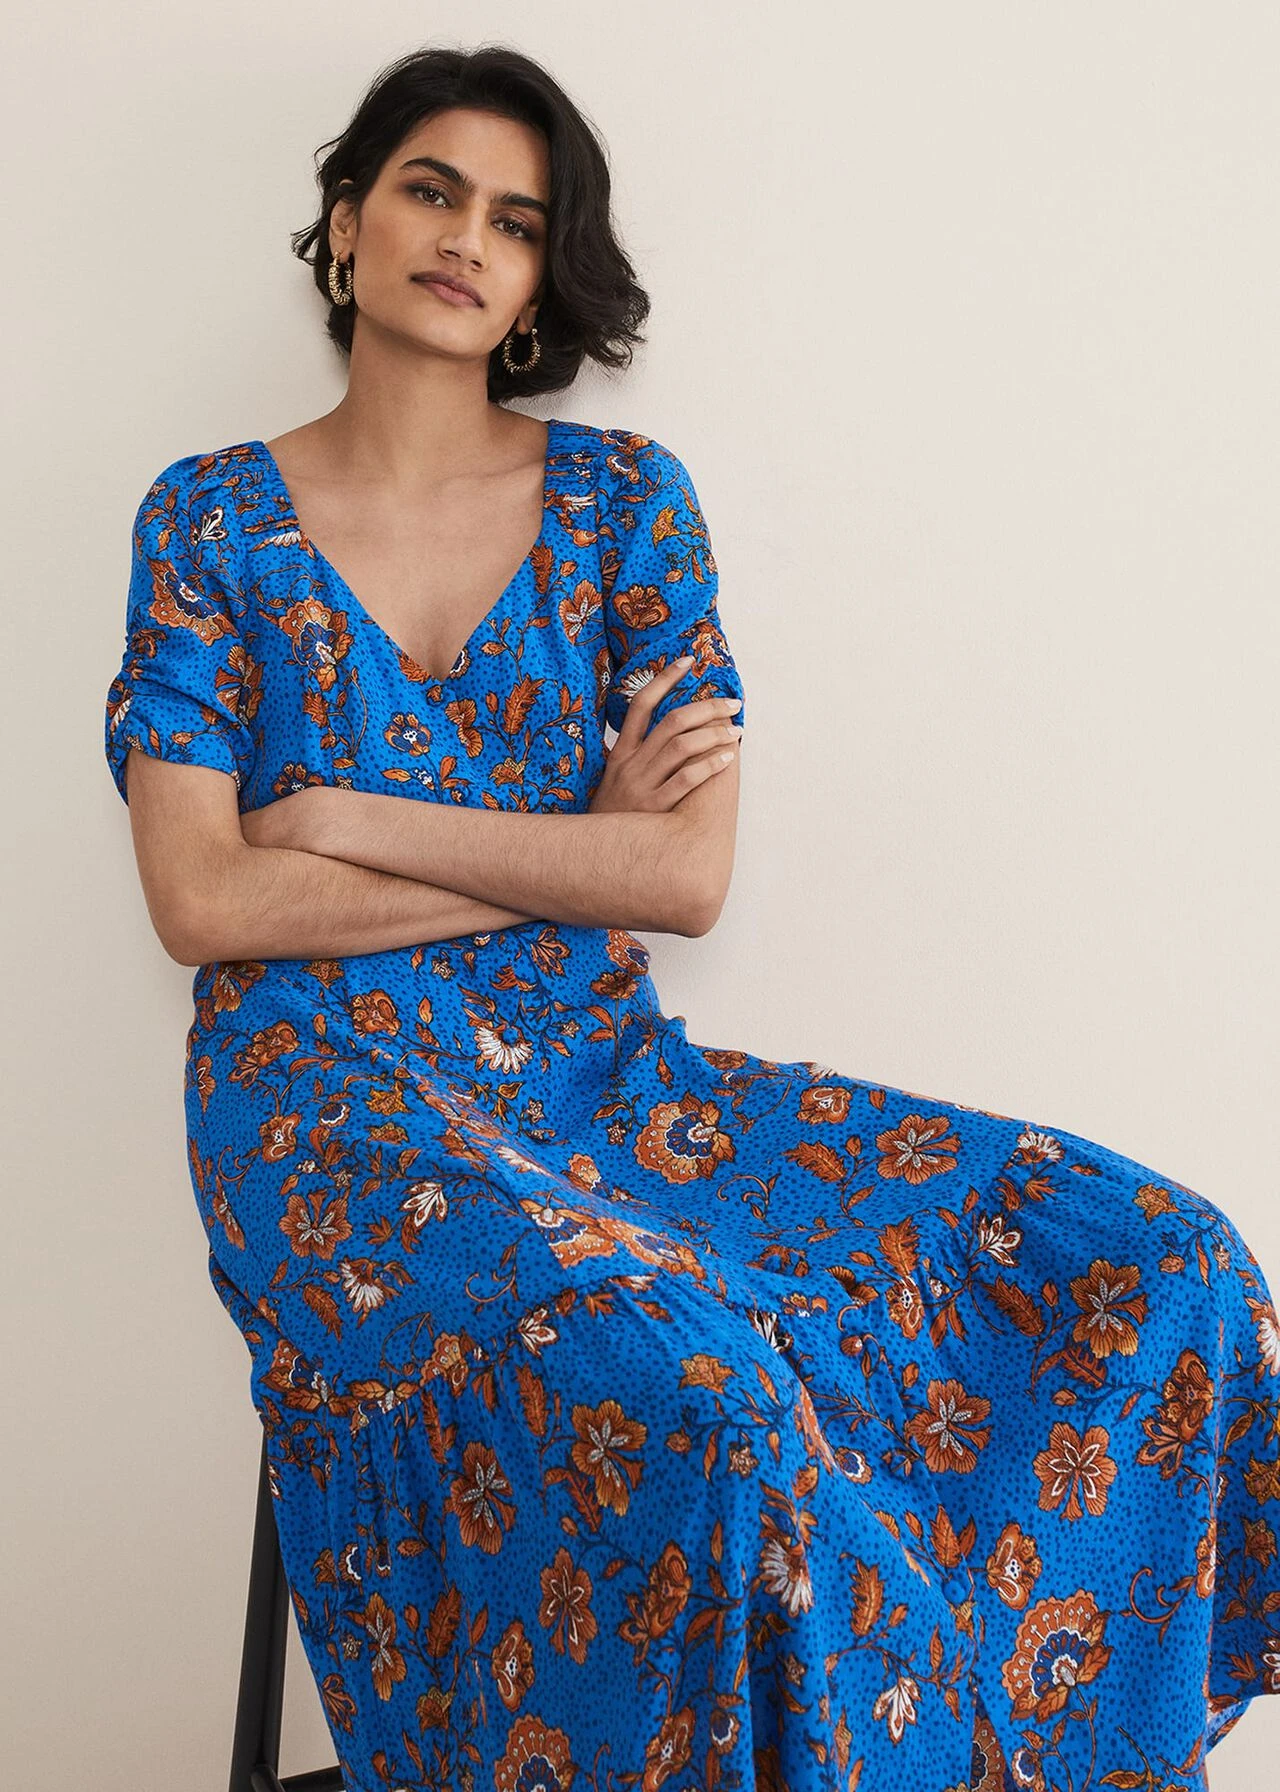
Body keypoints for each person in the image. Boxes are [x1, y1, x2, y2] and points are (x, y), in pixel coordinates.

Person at [103, 43, 1280, 1792]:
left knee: (1160, 1258)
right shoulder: (207, 517)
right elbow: (202, 897)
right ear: (347, 224)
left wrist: (343, 820)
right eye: (430, 191)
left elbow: (683, 877)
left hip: (606, 1082)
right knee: (708, 1403)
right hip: (322, 1106)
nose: (469, 239)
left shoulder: (623, 503)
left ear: (539, 280)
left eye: (519, 221)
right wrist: (572, 840)